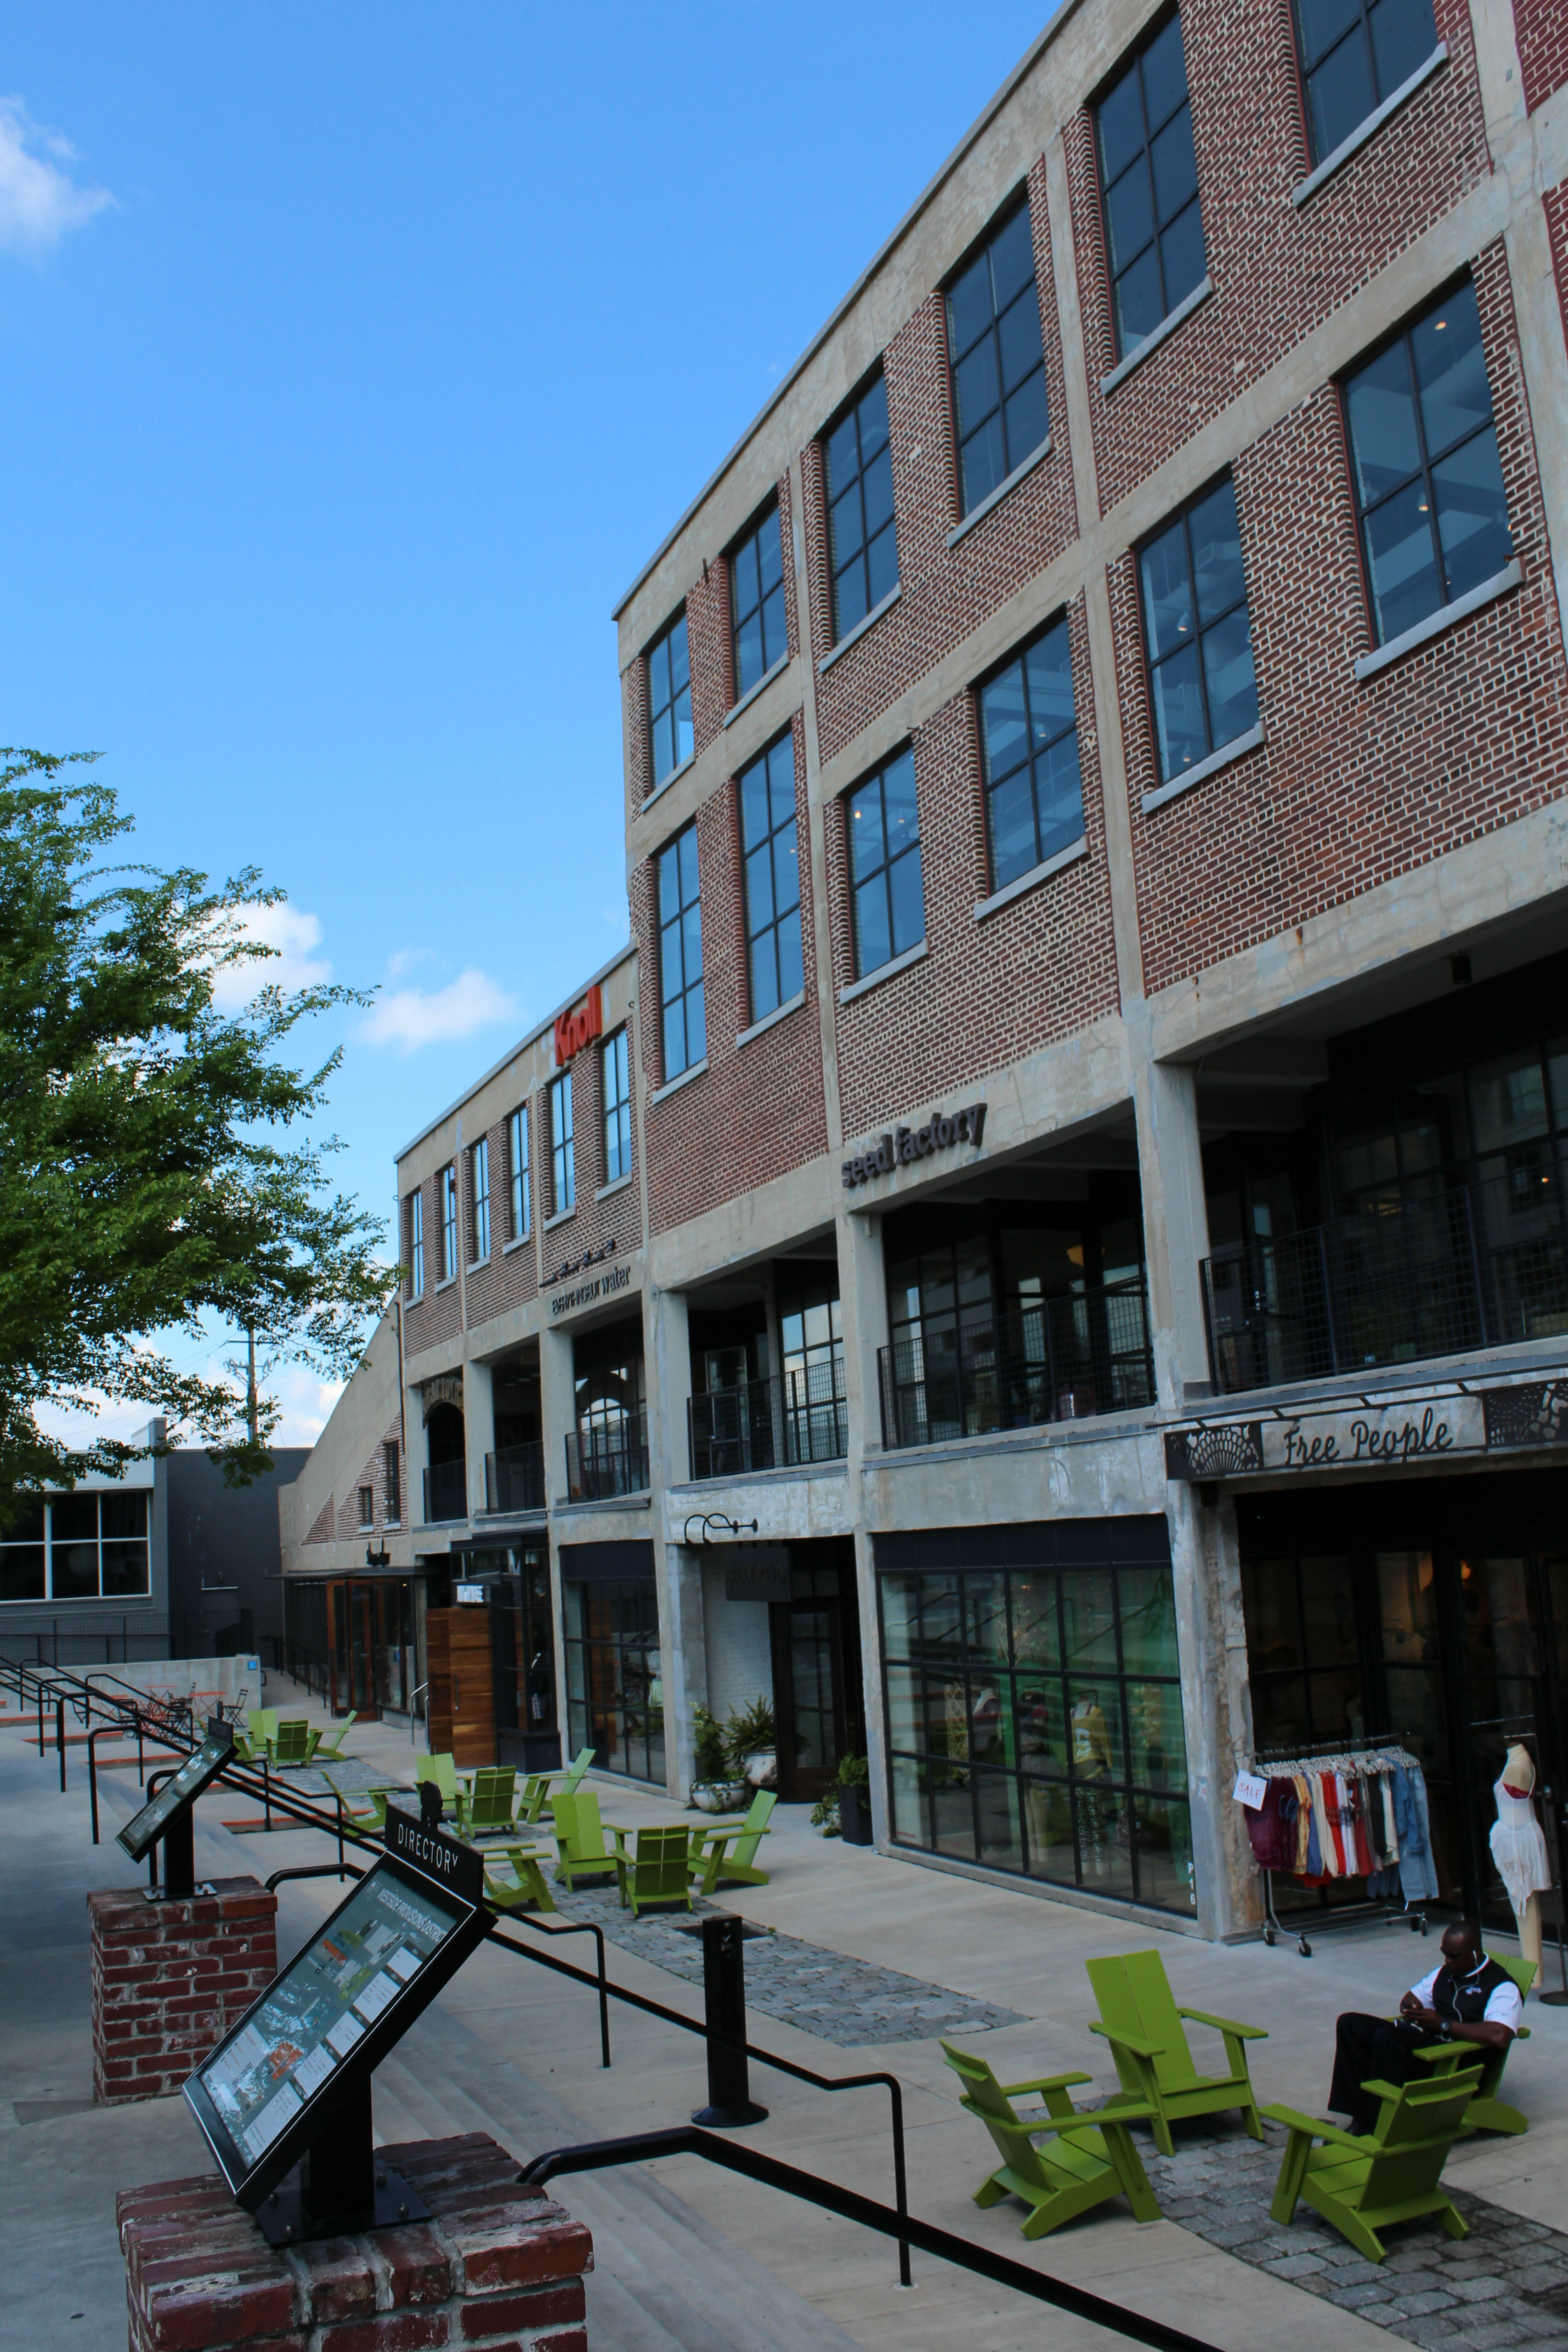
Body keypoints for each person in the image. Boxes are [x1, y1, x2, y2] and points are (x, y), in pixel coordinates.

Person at [1329, 1920, 1522, 2136]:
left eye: (1454, 1955)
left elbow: (1500, 2035)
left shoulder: (1502, 1986)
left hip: (1457, 2061)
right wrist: (1411, 2008)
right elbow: (1412, 1997)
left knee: (1388, 2038)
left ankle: (1371, 2123)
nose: (1448, 1961)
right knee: (1350, 2024)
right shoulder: (1444, 1973)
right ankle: (1359, 2112)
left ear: (1475, 1952)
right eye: (1444, 1954)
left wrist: (1443, 2025)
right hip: (1431, 2047)